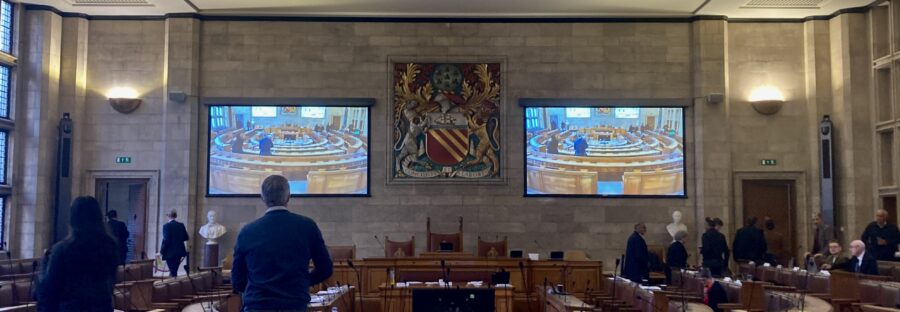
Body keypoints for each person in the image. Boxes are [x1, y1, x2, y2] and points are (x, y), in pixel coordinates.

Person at [232, 175, 334, 311]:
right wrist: (302, 283)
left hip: (257, 305)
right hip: (294, 305)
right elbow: (325, 269)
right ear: (288, 197)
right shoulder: (307, 227)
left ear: (262, 198)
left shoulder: (247, 232)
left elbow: (237, 280)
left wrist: (258, 288)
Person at [36, 196, 119, 311]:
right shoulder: (110, 246)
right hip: (101, 306)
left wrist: (44, 264)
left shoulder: (63, 249)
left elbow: (49, 290)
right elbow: (111, 282)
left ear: (73, 218)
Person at [160, 210, 189, 277]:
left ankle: (173, 284)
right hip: (179, 252)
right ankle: (174, 283)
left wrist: (162, 251)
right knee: (174, 270)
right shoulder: (181, 225)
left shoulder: (166, 226)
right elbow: (186, 237)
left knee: (173, 271)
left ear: (168, 216)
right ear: (175, 216)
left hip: (169, 253)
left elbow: (166, 240)